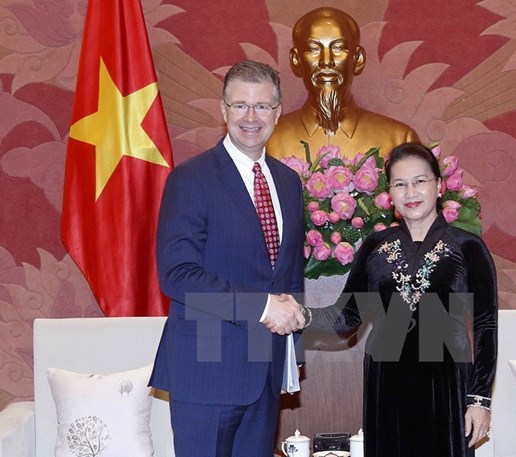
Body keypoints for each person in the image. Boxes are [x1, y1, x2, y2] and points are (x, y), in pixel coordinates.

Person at [275, 143, 497, 456]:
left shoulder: (468, 247)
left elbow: (486, 325)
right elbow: (346, 317)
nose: (411, 192)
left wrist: (479, 400)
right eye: (400, 184)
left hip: (447, 387)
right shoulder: (374, 246)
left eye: (420, 181)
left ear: (439, 185)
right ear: (389, 193)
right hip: (387, 385)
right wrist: (299, 314)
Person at [149, 60, 308, 457]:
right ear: (223, 111)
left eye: (261, 106)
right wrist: (263, 306)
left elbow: (287, 275)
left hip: (265, 371)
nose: (250, 117)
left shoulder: (288, 183)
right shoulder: (191, 178)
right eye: (239, 106)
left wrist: (293, 343)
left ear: (278, 111)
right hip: (207, 370)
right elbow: (178, 276)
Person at [266, 7, 419, 159]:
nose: (326, 62)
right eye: (313, 49)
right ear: (296, 60)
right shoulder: (268, 140)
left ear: (357, 59)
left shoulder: (399, 140)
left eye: (338, 48)